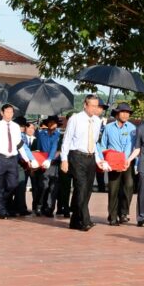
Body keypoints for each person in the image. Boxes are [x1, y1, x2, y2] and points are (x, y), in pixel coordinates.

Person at [61, 94, 109, 231]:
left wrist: (98, 159)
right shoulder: (75, 119)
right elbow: (67, 139)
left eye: (96, 106)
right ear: (85, 105)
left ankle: (75, 220)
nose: (95, 109)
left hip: (91, 157)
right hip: (77, 156)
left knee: (86, 190)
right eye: (92, 106)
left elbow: (95, 142)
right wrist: (64, 159)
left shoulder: (97, 121)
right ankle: (85, 220)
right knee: (81, 187)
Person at [0, 103, 36, 220]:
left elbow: (19, 144)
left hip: (12, 158)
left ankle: (0, 201)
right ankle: (1, 211)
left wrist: (26, 158)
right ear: (2, 113)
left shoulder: (15, 126)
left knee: (13, 184)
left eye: (11, 112)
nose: (9, 114)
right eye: (7, 112)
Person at [98, 102, 138, 226]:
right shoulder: (108, 128)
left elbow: (131, 145)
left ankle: (124, 213)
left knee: (129, 186)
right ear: (117, 113)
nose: (126, 114)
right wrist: (103, 159)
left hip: (127, 162)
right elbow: (103, 145)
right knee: (113, 189)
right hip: (112, 162)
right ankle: (113, 216)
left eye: (128, 112)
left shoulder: (132, 128)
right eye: (123, 112)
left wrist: (125, 160)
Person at [33, 116, 61, 217]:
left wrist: (51, 158)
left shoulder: (59, 135)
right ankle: (39, 206)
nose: (51, 124)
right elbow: (38, 149)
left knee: (53, 188)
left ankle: (49, 208)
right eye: (50, 122)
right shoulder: (41, 135)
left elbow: (59, 150)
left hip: (54, 164)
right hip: (43, 162)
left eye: (54, 122)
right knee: (43, 186)